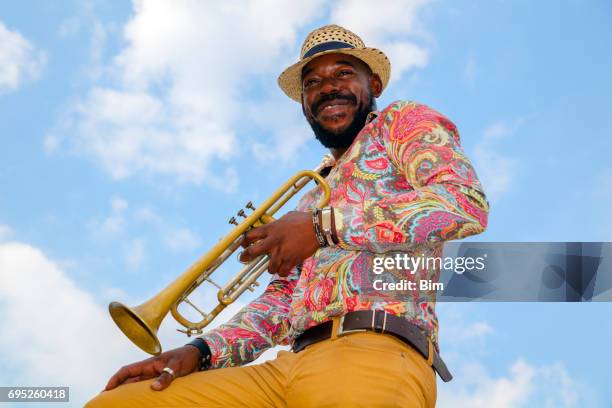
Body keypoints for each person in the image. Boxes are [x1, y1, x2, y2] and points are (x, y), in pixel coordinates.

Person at [86, 24, 489, 408]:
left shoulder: (399, 122)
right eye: (311, 82)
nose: (327, 87)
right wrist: (199, 350)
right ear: (304, 105)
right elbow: (283, 302)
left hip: (373, 348)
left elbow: (462, 201)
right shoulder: (309, 197)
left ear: (375, 86)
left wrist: (322, 228)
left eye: (344, 73)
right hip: (287, 365)